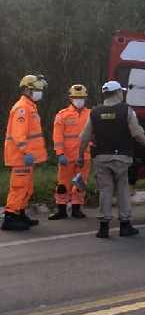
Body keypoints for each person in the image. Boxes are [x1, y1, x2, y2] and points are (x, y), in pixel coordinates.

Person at [77, 81, 145, 239]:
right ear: (118, 93)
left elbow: (84, 138)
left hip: (101, 157)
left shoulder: (95, 112)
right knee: (123, 191)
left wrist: (80, 156)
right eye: (121, 91)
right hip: (122, 158)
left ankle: (103, 228)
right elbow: (137, 133)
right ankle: (125, 225)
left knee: (105, 190)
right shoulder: (126, 110)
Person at [2, 75, 48, 231]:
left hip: (26, 157)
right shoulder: (22, 107)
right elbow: (18, 134)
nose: (39, 92)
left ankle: (20, 213)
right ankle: (10, 217)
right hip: (21, 156)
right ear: (28, 89)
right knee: (19, 187)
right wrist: (26, 152)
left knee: (26, 187)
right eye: (37, 90)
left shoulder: (30, 106)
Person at [49, 84, 91, 220]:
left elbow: (94, 134)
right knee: (62, 184)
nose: (79, 100)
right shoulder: (62, 115)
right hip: (66, 157)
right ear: (70, 98)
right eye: (76, 97)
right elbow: (57, 136)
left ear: (86, 98)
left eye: (82, 98)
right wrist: (60, 154)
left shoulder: (90, 114)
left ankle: (76, 209)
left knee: (80, 183)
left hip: (84, 156)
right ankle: (61, 209)